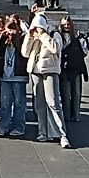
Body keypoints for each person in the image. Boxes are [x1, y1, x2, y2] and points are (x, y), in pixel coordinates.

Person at [22, 14, 70, 148]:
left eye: (38, 27)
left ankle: (62, 134)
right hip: (35, 70)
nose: (36, 29)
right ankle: (43, 131)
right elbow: (25, 53)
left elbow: (55, 48)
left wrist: (43, 35)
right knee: (39, 104)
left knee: (53, 102)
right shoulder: (33, 36)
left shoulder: (54, 34)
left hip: (50, 70)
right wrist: (30, 37)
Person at [0, 20, 29, 138]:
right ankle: (4, 126)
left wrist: (15, 37)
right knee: (5, 103)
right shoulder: (4, 40)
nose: (10, 33)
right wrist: (1, 37)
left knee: (19, 103)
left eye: (12, 29)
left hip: (19, 76)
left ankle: (19, 127)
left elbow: (23, 52)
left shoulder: (22, 39)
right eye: (8, 29)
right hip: (5, 76)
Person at [58, 16, 89, 122]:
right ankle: (66, 115)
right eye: (64, 24)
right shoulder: (58, 37)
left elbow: (84, 52)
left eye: (68, 24)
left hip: (76, 68)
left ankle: (75, 115)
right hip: (65, 69)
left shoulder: (77, 37)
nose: (66, 26)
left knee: (76, 93)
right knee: (65, 94)